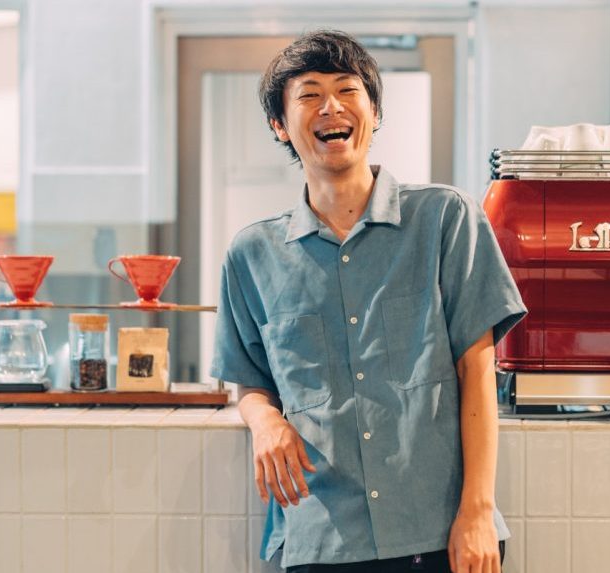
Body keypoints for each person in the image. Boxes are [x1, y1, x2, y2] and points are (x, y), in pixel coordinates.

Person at [211, 29, 526, 573]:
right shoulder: (252, 254)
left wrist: (476, 511)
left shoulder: (446, 219)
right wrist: (264, 422)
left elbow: (476, 369)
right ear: (280, 125)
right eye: (309, 94)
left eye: (347, 90)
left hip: (439, 533)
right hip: (321, 540)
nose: (330, 106)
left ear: (374, 112)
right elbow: (251, 384)